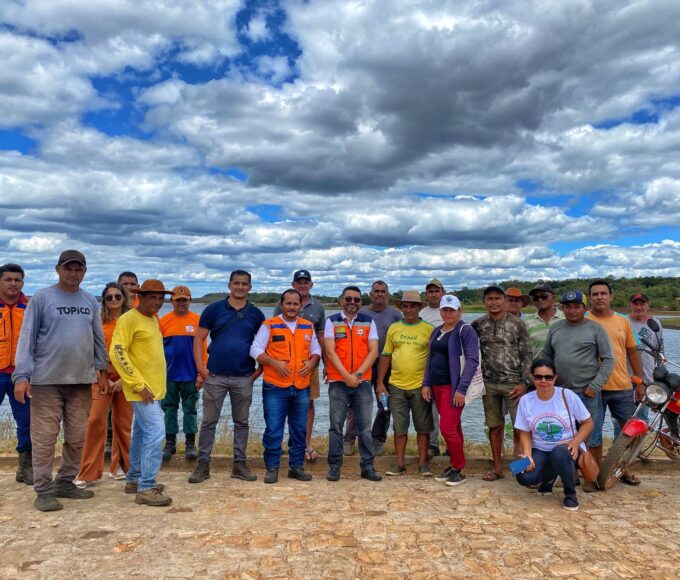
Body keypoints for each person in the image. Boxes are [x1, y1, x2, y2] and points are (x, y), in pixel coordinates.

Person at [12, 250, 108, 512]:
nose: (73, 273)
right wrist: (21, 376)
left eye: (78, 269)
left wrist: (102, 370)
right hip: (46, 381)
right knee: (44, 438)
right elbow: (26, 339)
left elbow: (97, 338)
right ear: (58, 269)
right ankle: (43, 490)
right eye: (68, 268)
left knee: (77, 437)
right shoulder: (42, 298)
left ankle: (65, 481)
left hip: (81, 381)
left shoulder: (89, 300)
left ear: (85, 272)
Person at [189, 271, 265, 484]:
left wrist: (259, 370)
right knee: (208, 422)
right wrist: (201, 369)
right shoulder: (214, 309)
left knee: (241, 422)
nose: (240, 287)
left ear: (250, 287)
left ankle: (239, 464)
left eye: (244, 284)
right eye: (236, 283)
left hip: (244, 376)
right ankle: (203, 465)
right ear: (229, 285)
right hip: (215, 376)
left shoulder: (256, 314)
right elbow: (199, 339)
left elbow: (263, 343)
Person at [110, 279, 174, 507]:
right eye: (152, 297)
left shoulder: (153, 319)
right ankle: (147, 487)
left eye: (160, 298)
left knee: (140, 432)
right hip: (142, 389)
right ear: (140, 297)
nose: (157, 302)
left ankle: (134, 478)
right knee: (156, 432)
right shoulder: (128, 319)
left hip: (154, 388)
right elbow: (117, 352)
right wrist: (137, 384)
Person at [250, 289, 321, 484]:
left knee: (299, 429)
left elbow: (316, 349)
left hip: (301, 386)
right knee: (274, 429)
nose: (291, 307)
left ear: (300, 306)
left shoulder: (307, 326)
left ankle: (296, 467)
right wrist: (274, 363)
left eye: (295, 304)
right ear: (281, 305)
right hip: (275, 386)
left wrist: (312, 362)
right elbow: (255, 349)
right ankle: (272, 468)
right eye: (288, 303)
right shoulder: (270, 325)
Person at [514, 359, 594, 512]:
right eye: (538, 377)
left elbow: (588, 423)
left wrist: (576, 442)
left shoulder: (567, 396)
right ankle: (550, 476)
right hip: (539, 448)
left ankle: (570, 494)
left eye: (548, 377)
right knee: (518, 471)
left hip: (567, 447)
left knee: (559, 453)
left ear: (555, 377)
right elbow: (524, 431)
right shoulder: (526, 400)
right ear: (532, 377)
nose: (543, 381)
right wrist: (527, 455)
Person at [471, 285, 533, 482]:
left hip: (514, 384)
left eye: (498, 298)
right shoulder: (478, 324)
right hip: (488, 384)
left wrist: (524, 382)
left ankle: (523, 468)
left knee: (521, 427)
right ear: (484, 302)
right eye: (490, 299)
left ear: (505, 301)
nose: (494, 302)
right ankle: (498, 468)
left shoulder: (518, 324)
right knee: (494, 426)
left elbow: (527, 354)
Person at [75, 283, 133, 488]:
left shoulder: (131, 321)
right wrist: (102, 376)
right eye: (109, 297)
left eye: (118, 296)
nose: (114, 300)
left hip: (126, 379)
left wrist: (124, 380)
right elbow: (88, 351)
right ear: (104, 301)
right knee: (95, 421)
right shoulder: (98, 322)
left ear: (124, 298)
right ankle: (88, 472)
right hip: (100, 378)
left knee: (123, 424)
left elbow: (137, 353)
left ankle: (124, 468)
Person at [540, 290, 614, 449]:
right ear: (562, 308)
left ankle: (592, 466)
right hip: (560, 392)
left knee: (591, 438)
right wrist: (544, 379)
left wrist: (595, 386)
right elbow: (546, 355)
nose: (572, 311)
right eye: (568, 307)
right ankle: (569, 465)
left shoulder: (596, 329)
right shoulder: (556, 327)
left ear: (585, 308)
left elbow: (608, 359)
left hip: (586, 392)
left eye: (576, 307)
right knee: (563, 434)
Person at [586, 280, 643, 485]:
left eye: (603, 293)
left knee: (630, 431)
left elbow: (633, 352)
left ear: (611, 296)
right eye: (595, 294)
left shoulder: (623, 321)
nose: (599, 297)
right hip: (593, 388)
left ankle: (621, 469)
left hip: (622, 386)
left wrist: (640, 382)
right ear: (590, 298)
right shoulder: (584, 320)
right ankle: (594, 474)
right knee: (594, 434)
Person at [325, 286, 381, 482]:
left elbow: (373, 351)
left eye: (356, 300)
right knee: (336, 427)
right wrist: (345, 376)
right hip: (338, 382)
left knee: (365, 428)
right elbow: (330, 352)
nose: (352, 302)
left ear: (361, 302)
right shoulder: (332, 321)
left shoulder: (368, 321)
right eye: (348, 299)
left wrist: (356, 375)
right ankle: (334, 467)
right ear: (341, 300)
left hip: (362, 382)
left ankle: (367, 467)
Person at [422, 295, 479, 487]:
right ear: (440, 311)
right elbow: (430, 358)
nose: (448, 313)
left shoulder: (465, 330)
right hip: (436, 386)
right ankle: (455, 466)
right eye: (445, 310)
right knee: (455, 427)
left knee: (447, 428)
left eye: (452, 310)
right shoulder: (437, 330)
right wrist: (426, 383)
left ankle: (459, 468)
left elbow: (472, 360)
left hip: (452, 387)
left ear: (459, 311)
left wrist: (461, 388)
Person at [377, 290, 434, 476]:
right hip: (396, 385)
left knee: (423, 428)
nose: (408, 309)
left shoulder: (428, 329)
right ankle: (399, 463)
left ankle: (423, 464)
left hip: (420, 386)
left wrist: (429, 383)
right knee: (399, 427)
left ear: (419, 308)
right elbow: (386, 356)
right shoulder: (394, 328)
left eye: (412, 306)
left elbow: (433, 359)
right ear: (401, 308)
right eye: (405, 306)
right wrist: (380, 383)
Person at [343, 280, 402, 456]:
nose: (379, 294)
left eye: (383, 291)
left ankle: (378, 440)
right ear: (370, 294)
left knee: (384, 404)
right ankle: (349, 439)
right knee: (356, 403)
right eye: (376, 291)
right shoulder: (361, 313)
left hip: (387, 366)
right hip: (362, 365)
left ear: (388, 295)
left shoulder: (395, 315)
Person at [274, 270, 326, 462]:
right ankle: (278, 443)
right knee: (282, 403)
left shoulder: (318, 307)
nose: (303, 285)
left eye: (306, 282)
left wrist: (325, 364)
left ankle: (305, 443)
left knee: (308, 404)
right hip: (285, 366)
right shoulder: (281, 305)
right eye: (299, 282)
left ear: (311, 284)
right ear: (293, 284)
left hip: (309, 365)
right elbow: (274, 332)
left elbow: (320, 337)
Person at [159, 286, 205, 462]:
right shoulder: (164, 321)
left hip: (191, 375)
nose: (181, 303)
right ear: (172, 301)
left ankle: (190, 444)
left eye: (184, 300)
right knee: (169, 410)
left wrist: (201, 373)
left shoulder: (197, 320)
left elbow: (203, 350)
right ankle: (170, 444)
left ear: (189, 301)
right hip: (168, 375)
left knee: (190, 410)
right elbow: (157, 349)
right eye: (178, 300)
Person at [0, 263, 32, 485]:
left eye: (17, 280)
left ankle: (25, 466)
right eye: (8, 279)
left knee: (27, 421)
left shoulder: (29, 308)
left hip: (22, 374)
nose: (13, 283)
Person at [628, 292, 664, 425]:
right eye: (635, 304)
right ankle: (619, 439)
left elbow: (660, 351)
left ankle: (640, 439)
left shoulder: (655, 323)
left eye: (642, 304)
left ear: (648, 305)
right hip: (626, 375)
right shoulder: (623, 321)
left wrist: (660, 377)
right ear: (630, 305)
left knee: (642, 415)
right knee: (622, 415)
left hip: (647, 376)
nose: (639, 307)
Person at [419, 279, 446, 457]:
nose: (434, 294)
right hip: (427, 366)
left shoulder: (449, 311)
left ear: (443, 292)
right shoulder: (422, 314)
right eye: (430, 291)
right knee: (430, 410)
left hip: (447, 367)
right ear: (426, 294)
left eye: (437, 291)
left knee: (450, 410)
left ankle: (451, 445)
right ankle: (433, 444)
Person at [524, 284, 565, 358]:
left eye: (544, 296)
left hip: (561, 364)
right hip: (536, 364)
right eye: (536, 298)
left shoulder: (565, 318)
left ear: (554, 298)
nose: (540, 300)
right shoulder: (526, 322)